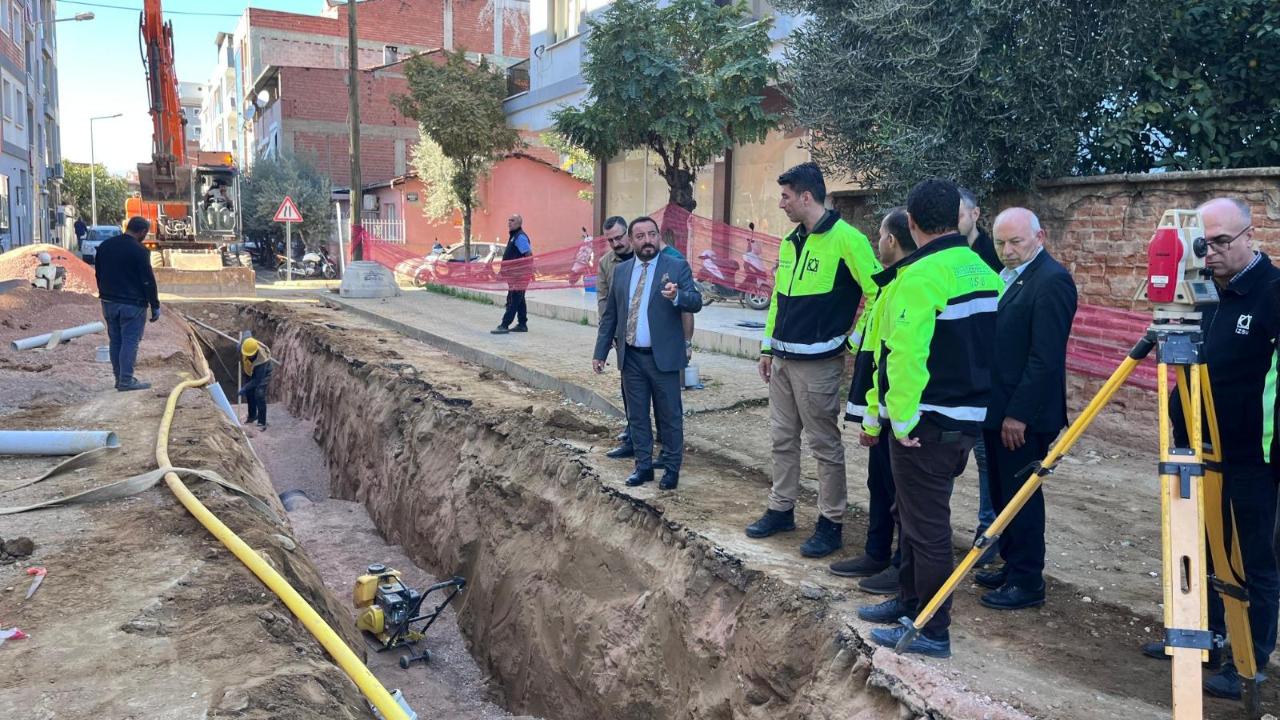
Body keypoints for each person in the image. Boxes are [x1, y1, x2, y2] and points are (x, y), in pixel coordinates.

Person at [1142, 197, 1280, 700]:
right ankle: (1203, 637)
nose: (1212, 252)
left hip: (1251, 457)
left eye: (1221, 241)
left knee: (1251, 557)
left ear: (1250, 235)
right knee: (1199, 548)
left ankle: (1250, 658)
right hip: (1197, 448)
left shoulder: (1271, 292)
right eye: (1204, 243)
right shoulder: (1202, 295)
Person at [856, 178, 1001, 658]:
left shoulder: (918, 277)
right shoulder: (981, 270)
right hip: (962, 420)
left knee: (927, 527)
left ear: (912, 224)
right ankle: (909, 602)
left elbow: (904, 357)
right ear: (959, 219)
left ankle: (931, 628)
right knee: (914, 516)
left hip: (926, 423)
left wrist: (897, 421)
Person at [745, 162, 882, 558]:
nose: (781, 203)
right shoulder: (790, 242)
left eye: (786, 196)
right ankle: (781, 508)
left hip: (820, 364)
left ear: (807, 196)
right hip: (783, 361)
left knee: (824, 444)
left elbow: (878, 295)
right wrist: (767, 347)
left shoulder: (848, 240)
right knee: (781, 439)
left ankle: (831, 521)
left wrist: (852, 342)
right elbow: (778, 301)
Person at [973, 208, 1077, 611]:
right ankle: (1012, 564)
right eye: (1001, 242)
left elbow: (1044, 358)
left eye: (1016, 241)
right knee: (1001, 493)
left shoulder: (1052, 282)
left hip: (1024, 416)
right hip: (996, 408)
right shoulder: (1008, 277)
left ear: (1040, 237)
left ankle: (1027, 580)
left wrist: (1019, 414)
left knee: (1022, 496)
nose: (1007, 250)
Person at [830, 207, 913, 595]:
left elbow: (899, 358)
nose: (877, 242)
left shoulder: (908, 284)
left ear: (891, 240)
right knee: (879, 483)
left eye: (879, 235)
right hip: (877, 407)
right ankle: (876, 552)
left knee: (902, 493)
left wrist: (884, 415)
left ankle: (901, 566)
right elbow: (870, 344)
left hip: (897, 411)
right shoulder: (887, 283)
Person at [593, 216, 703, 490]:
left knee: (669, 416)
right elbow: (611, 316)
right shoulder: (621, 271)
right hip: (631, 357)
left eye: (651, 234)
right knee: (637, 416)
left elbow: (696, 301)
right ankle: (643, 467)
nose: (647, 241)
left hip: (663, 358)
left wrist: (678, 296)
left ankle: (671, 470)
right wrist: (600, 351)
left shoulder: (676, 266)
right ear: (632, 241)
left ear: (658, 236)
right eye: (639, 236)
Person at [958, 186, 1003, 566]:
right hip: (964, 374)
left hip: (988, 375)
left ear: (975, 214)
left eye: (961, 213)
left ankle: (989, 530)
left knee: (988, 459)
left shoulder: (992, 258)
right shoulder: (953, 257)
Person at [94, 216, 160, 392]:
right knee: (130, 341)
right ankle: (126, 380)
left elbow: (98, 273)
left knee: (115, 341)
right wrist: (154, 305)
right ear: (143, 232)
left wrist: (104, 293)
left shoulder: (105, 246)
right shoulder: (139, 251)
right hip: (132, 304)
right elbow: (147, 280)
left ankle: (119, 379)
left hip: (108, 301)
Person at [596, 216, 640, 459]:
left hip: (649, 334)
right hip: (623, 335)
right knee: (629, 388)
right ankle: (633, 433)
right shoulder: (606, 264)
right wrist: (608, 333)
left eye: (619, 237)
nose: (615, 243)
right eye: (610, 240)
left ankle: (661, 438)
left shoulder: (645, 256)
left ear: (628, 234)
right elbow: (603, 300)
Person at [492, 215, 533, 334]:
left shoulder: (520, 237)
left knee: (513, 299)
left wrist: (526, 270)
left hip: (519, 276)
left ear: (519, 223)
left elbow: (528, 254)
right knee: (519, 299)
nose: (509, 222)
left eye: (512, 220)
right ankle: (522, 324)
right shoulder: (514, 236)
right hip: (514, 275)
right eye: (508, 220)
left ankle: (504, 324)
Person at [238, 337, 272, 429]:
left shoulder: (262, 361)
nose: (248, 356)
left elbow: (257, 380)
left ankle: (262, 422)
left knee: (259, 394)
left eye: (250, 355)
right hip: (250, 370)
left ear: (255, 352)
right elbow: (246, 334)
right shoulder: (245, 346)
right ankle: (252, 416)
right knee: (249, 393)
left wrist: (244, 388)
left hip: (263, 374)